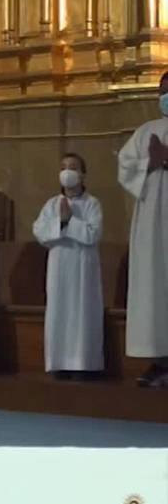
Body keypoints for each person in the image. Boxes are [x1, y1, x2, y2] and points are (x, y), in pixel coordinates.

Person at [32, 153, 104, 378]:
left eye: (73, 167)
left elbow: (93, 234)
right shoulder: (51, 204)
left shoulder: (92, 203)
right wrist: (61, 221)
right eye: (63, 166)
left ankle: (83, 364)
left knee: (82, 311)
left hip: (83, 266)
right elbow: (41, 232)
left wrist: (70, 221)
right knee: (59, 311)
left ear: (82, 174)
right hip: (59, 265)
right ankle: (60, 363)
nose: (67, 171)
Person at [117, 71, 168, 387]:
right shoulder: (146, 131)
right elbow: (125, 166)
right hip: (152, 220)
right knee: (154, 285)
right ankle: (159, 360)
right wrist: (149, 163)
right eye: (162, 90)